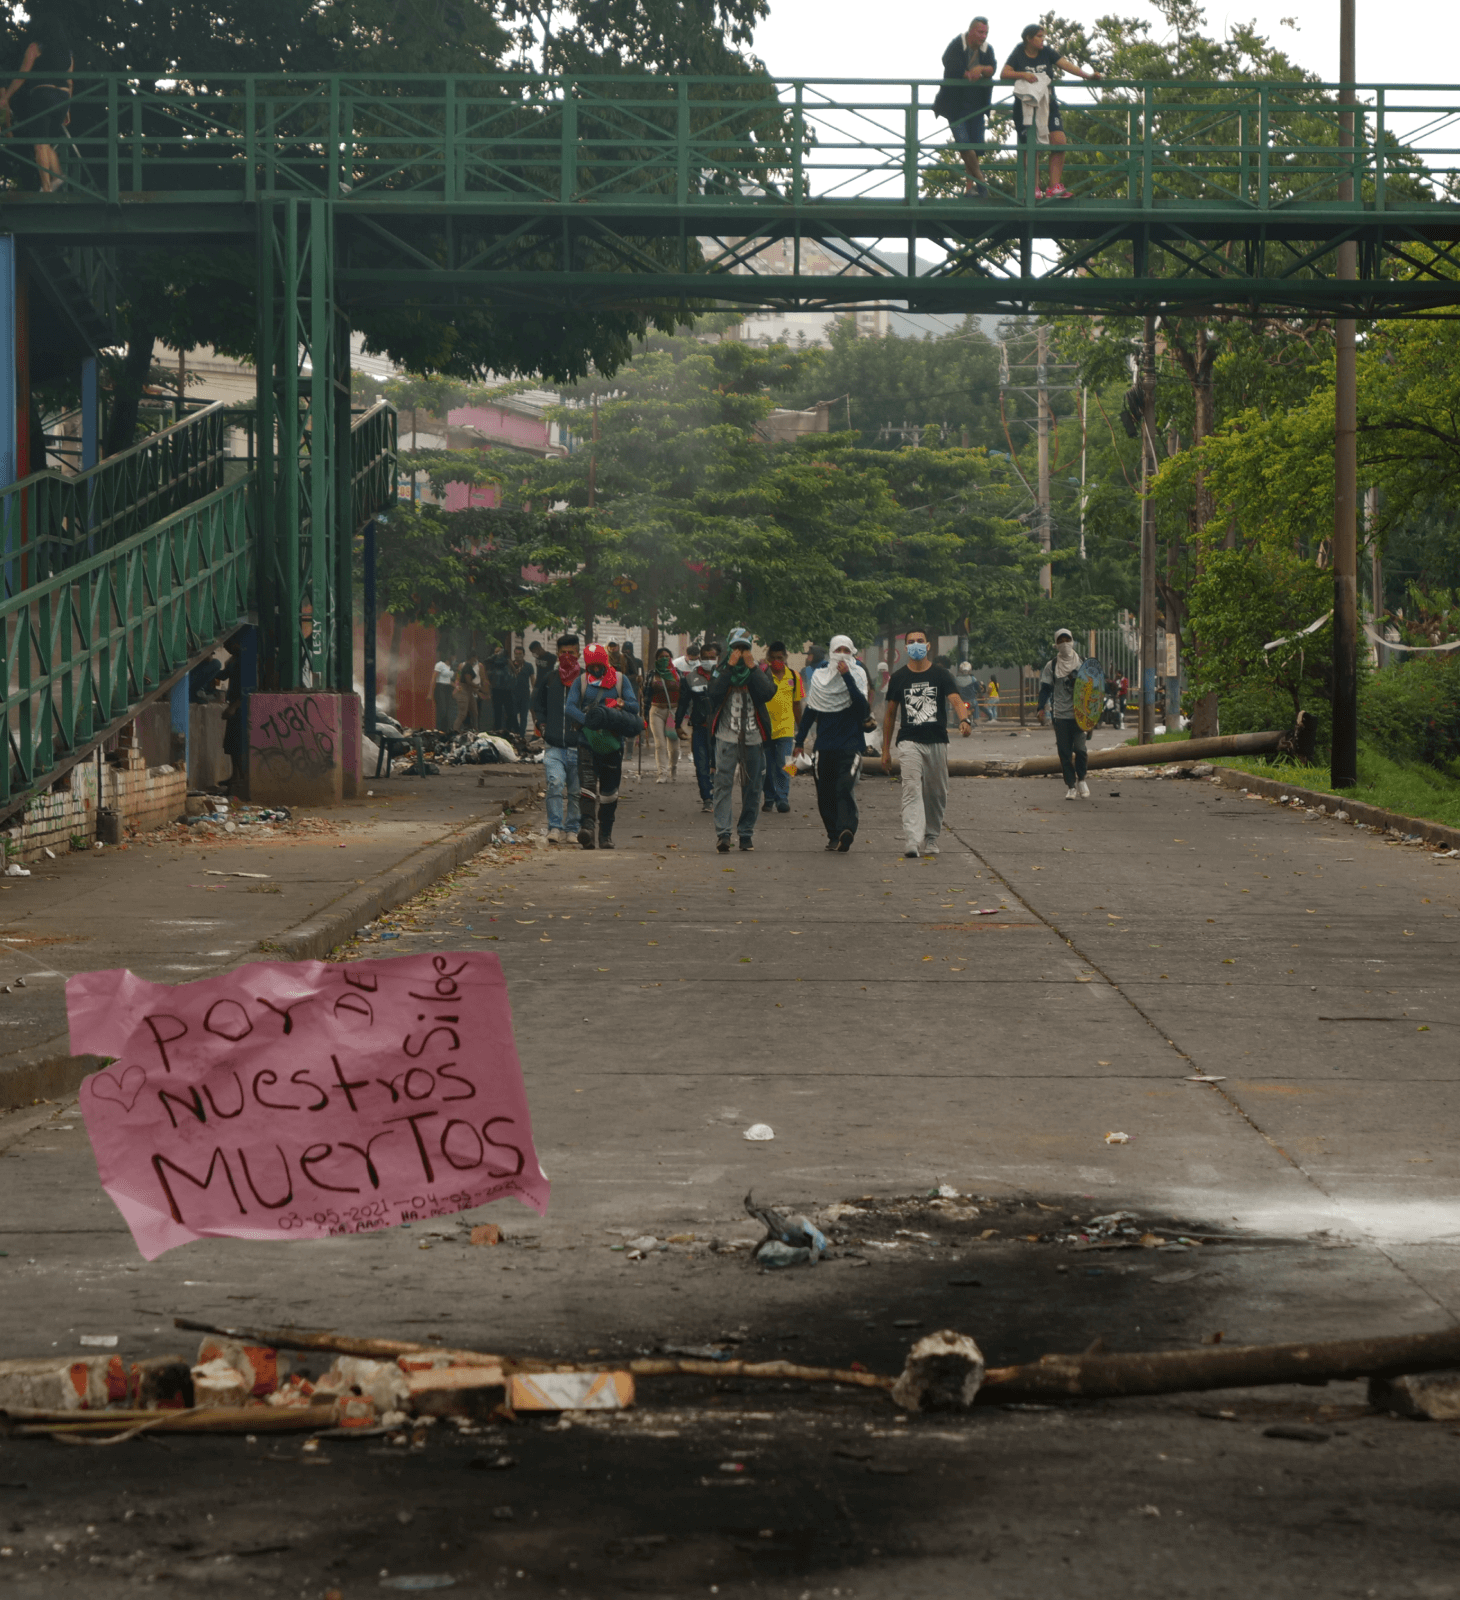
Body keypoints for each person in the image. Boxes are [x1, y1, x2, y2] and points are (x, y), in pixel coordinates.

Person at [882, 628, 973, 858]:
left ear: (928, 645)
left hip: (937, 741)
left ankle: (932, 837)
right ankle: (912, 839)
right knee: (911, 788)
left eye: (920, 641)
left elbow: (955, 699)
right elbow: (890, 715)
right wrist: (885, 750)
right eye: (911, 641)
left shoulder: (941, 675)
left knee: (936, 792)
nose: (915, 644)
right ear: (905, 648)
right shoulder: (899, 677)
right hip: (909, 741)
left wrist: (964, 719)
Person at [1001, 24, 1101, 200]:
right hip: (1026, 106)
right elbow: (1004, 73)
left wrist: (1088, 76)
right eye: (1039, 36)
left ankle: (1054, 186)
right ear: (1029, 39)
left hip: (1048, 104)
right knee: (1032, 148)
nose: (1042, 40)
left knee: (1059, 142)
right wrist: (1023, 75)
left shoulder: (1046, 52)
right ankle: (1034, 188)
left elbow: (1066, 65)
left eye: (1043, 37)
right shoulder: (1019, 51)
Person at [794, 635, 871, 853]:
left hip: (850, 744)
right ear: (831, 652)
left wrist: (847, 677)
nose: (842, 655)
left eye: (847, 651)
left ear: (853, 652)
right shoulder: (820, 677)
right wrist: (799, 741)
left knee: (844, 786)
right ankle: (833, 835)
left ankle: (847, 829)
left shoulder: (858, 674)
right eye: (839, 650)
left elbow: (861, 706)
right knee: (825, 791)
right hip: (824, 745)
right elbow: (811, 710)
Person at [706, 627, 775, 853]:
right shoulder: (720, 669)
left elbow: (767, 693)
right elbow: (713, 693)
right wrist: (728, 667)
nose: (740, 651)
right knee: (722, 785)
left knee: (753, 787)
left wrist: (752, 667)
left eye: (744, 647)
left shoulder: (760, 669)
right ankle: (723, 834)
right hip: (726, 736)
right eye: (736, 647)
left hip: (754, 737)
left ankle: (746, 833)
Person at [565, 643, 641, 850]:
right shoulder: (580, 682)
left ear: (606, 662)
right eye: (592, 666)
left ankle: (605, 835)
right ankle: (587, 831)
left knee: (609, 792)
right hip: (586, 743)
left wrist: (620, 704)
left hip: (612, 744)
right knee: (587, 788)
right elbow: (569, 707)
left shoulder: (619, 680)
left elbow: (635, 706)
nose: (596, 670)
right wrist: (587, 720)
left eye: (600, 665)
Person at [0, 3, 74, 194]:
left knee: (39, 144)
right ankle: (57, 176)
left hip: (43, 95)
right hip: (62, 98)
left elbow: (23, 75)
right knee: (46, 141)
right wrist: (67, 109)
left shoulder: (36, 47)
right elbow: (70, 81)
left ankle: (47, 189)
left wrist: (5, 96)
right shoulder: (68, 53)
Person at [936, 16, 997, 197]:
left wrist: (981, 69)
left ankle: (970, 188)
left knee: (975, 149)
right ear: (971, 31)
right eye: (980, 32)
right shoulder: (956, 45)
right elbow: (950, 65)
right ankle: (981, 181)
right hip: (954, 105)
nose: (983, 36)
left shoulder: (987, 50)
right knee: (965, 145)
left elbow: (992, 68)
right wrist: (967, 74)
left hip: (977, 105)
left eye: (986, 32)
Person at [531, 633, 582, 843]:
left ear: (578, 653)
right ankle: (554, 827)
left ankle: (573, 829)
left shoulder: (586, 680)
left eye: (571, 652)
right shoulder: (549, 679)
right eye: (563, 652)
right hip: (553, 746)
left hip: (579, 747)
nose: (567, 656)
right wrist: (542, 726)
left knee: (576, 791)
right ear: (557, 653)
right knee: (555, 784)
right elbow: (537, 705)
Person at [1037, 627, 1091, 799]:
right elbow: (1045, 689)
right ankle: (1071, 786)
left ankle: (1082, 779)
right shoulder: (1051, 666)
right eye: (1061, 641)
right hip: (1060, 715)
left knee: (1081, 750)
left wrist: (1092, 713)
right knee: (1064, 752)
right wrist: (1040, 708)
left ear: (1072, 641)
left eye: (1067, 640)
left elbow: (1093, 689)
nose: (1065, 644)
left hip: (1080, 715)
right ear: (1056, 644)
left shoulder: (1082, 662)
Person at [675, 641, 720, 813]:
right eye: (706, 658)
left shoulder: (723, 677)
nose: (710, 660)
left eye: (713, 657)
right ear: (700, 659)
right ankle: (707, 798)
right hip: (700, 728)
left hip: (720, 729)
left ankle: (717, 793)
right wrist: (679, 724)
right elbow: (683, 703)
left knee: (719, 764)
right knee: (701, 765)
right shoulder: (690, 678)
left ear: (718, 658)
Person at [760, 640, 804, 814]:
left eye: (781, 657)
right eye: (774, 658)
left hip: (786, 729)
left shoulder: (794, 676)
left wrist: (802, 730)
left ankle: (783, 798)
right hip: (764, 728)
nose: (778, 660)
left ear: (786, 657)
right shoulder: (762, 676)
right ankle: (769, 798)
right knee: (766, 767)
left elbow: (797, 704)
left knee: (786, 765)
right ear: (768, 659)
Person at [645, 646, 685, 782]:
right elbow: (646, 696)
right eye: (661, 657)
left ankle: (672, 767)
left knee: (674, 745)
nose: (664, 659)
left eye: (667, 656)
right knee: (660, 744)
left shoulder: (678, 674)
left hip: (673, 712)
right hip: (656, 711)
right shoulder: (651, 675)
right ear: (657, 659)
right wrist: (644, 715)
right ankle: (662, 773)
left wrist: (684, 714)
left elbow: (684, 694)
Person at [505, 646, 532, 739]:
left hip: (525, 694)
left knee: (524, 717)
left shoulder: (528, 666)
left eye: (520, 654)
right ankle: (516, 732)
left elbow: (533, 680)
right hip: (512, 694)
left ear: (524, 654)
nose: (518, 656)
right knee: (512, 715)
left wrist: (534, 693)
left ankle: (521, 736)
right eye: (516, 654)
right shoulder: (510, 665)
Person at [432, 654, 455, 730]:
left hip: (448, 688)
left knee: (448, 710)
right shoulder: (440, 665)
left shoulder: (451, 668)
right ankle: (439, 729)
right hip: (440, 687)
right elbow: (434, 678)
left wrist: (456, 686)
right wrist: (430, 692)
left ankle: (445, 729)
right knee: (442, 709)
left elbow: (448, 680)